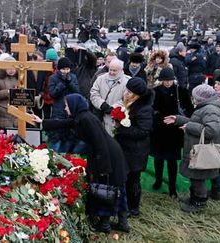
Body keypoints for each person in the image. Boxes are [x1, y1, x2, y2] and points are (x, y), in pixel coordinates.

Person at [32, 94, 130, 233]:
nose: (66, 108)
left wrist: (103, 168)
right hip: (107, 154)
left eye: (67, 105)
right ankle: (122, 222)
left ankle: (105, 225)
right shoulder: (81, 117)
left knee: (106, 188)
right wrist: (42, 122)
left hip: (107, 156)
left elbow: (100, 143)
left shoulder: (86, 119)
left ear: (74, 105)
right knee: (115, 187)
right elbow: (64, 123)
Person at [164, 84, 220, 213]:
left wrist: (189, 127)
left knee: (198, 178)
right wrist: (178, 119)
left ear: (201, 98)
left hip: (202, 151)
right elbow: (196, 121)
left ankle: (199, 203)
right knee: (195, 177)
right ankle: (194, 198)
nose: (193, 98)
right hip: (197, 148)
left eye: (195, 97)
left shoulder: (211, 110)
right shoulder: (206, 108)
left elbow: (211, 131)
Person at [151, 68, 194, 198]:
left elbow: (190, 109)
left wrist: (184, 121)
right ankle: (158, 180)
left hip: (175, 130)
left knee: (172, 160)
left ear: (173, 79)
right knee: (158, 158)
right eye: (165, 80)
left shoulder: (181, 91)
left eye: (169, 80)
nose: (168, 83)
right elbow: (150, 108)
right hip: (159, 129)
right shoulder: (155, 91)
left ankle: (172, 187)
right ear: (161, 80)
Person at [114, 77, 154, 216]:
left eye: (130, 92)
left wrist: (121, 129)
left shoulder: (144, 109)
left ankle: (134, 208)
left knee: (133, 180)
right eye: (127, 90)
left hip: (136, 150)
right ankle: (124, 203)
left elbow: (143, 131)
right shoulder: (129, 103)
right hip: (126, 147)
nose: (127, 93)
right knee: (125, 177)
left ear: (138, 95)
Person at [47, 57, 82, 153]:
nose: (66, 71)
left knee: (69, 138)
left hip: (71, 110)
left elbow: (77, 92)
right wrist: (61, 84)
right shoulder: (53, 78)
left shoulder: (73, 77)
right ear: (59, 69)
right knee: (56, 137)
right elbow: (52, 94)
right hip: (58, 110)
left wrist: (69, 82)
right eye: (63, 69)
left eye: (67, 69)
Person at [90, 59, 130, 135]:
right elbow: (93, 93)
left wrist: (112, 108)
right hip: (99, 114)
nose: (111, 72)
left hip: (114, 118)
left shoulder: (127, 82)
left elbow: (126, 99)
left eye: (114, 71)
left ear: (121, 70)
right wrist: (102, 104)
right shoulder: (100, 78)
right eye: (110, 70)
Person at [0, 56, 18, 131]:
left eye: (13, 68)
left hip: (17, 113)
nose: (11, 70)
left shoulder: (20, 77)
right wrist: (7, 92)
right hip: (3, 112)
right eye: (9, 68)